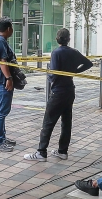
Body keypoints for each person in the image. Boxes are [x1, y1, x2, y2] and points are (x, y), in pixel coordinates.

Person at [24, 28, 93, 162]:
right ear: (69, 39)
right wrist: (75, 72)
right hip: (69, 90)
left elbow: (54, 74)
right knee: (66, 122)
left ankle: (41, 152)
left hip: (58, 92)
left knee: (48, 122)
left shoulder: (56, 53)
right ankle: (62, 151)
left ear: (57, 39)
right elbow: (88, 63)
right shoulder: (74, 52)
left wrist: (49, 77)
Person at [0, 17, 16, 152]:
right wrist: (9, 78)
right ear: (8, 29)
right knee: (1, 111)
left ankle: (1, 137)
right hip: (1, 80)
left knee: (3, 110)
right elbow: (2, 62)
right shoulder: (0, 42)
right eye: (11, 28)